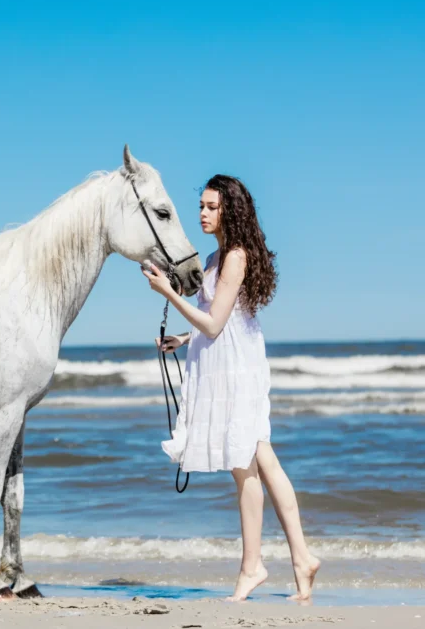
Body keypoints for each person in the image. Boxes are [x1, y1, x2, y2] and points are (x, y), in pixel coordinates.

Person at [142, 174, 320, 602]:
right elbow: (211, 319)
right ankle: (302, 561)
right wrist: (181, 341)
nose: (202, 213)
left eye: (210, 207)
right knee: (262, 463)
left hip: (237, 371)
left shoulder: (235, 257)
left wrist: (167, 291)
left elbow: (217, 325)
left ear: (229, 211)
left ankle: (253, 567)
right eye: (200, 206)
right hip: (223, 365)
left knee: (246, 466)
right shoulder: (212, 258)